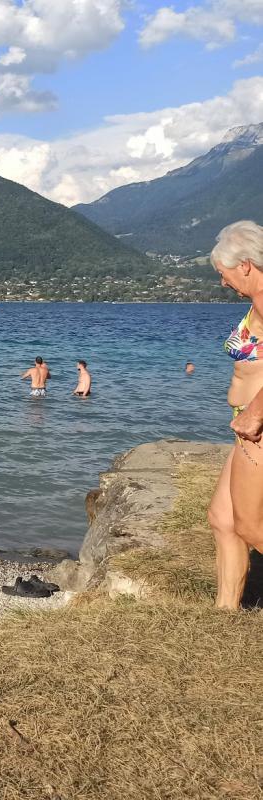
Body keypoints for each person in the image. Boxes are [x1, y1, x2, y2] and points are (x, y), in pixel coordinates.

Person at [205, 220, 263, 609]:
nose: (223, 283)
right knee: (222, 518)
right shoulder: (255, 303)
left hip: (259, 427)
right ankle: (225, 612)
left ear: (244, 264)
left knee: (251, 526)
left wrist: (256, 412)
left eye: (223, 274)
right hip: (247, 424)